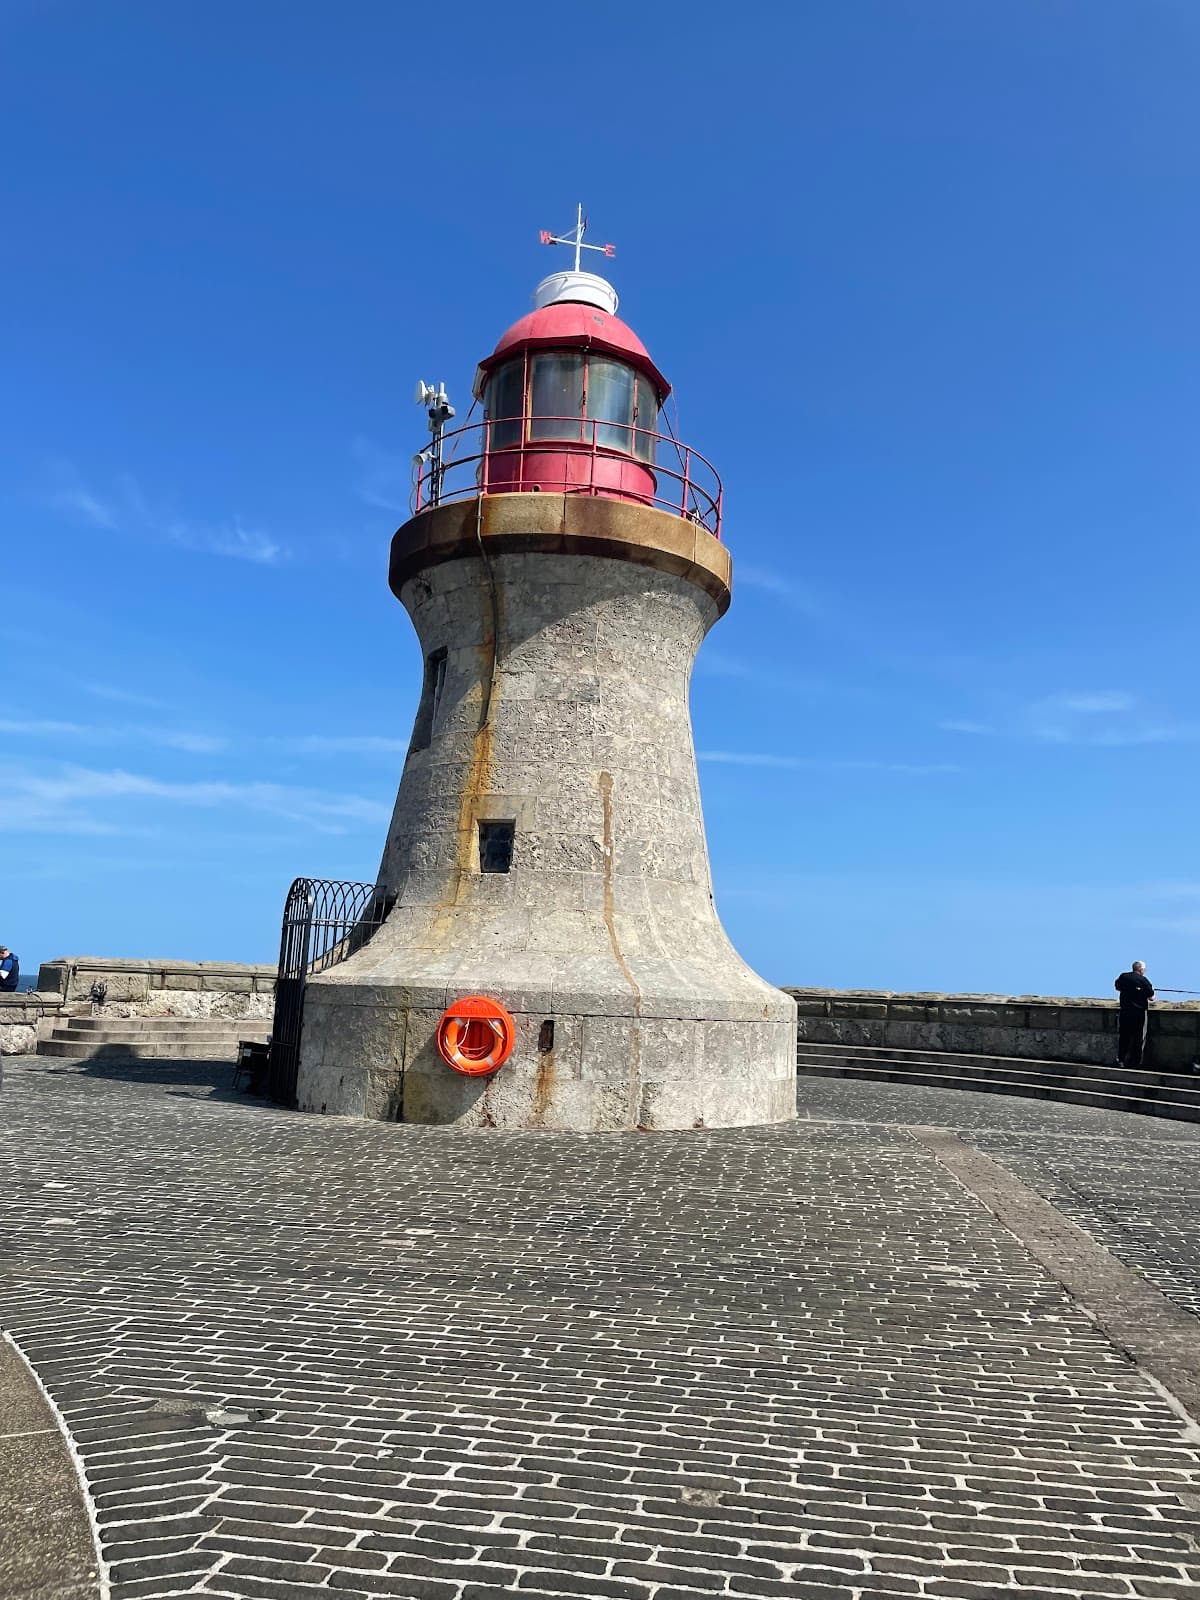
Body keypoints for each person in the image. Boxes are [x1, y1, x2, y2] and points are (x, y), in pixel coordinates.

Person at [1114, 960, 1154, 1069]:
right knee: (1138, 1038)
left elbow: (1117, 986)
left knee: (1124, 1037)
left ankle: (1121, 1060)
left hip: (1125, 1011)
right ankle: (1134, 1062)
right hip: (1138, 1013)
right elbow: (1151, 996)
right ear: (1141, 970)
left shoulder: (1123, 977)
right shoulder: (1143, 980)